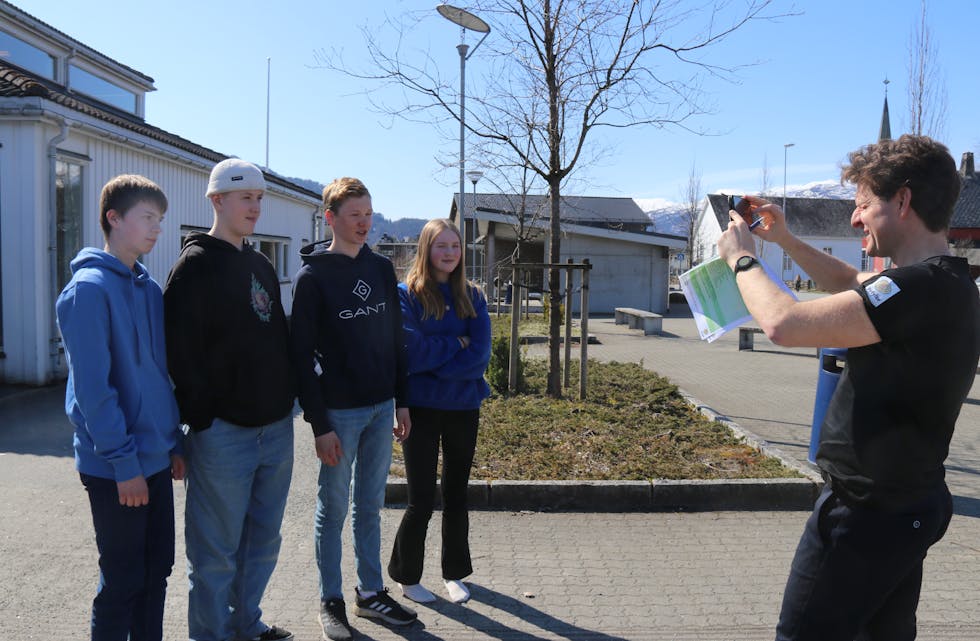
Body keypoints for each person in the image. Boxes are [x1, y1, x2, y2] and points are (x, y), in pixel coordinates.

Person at [716, 134, 980, 641]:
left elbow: (784, 324)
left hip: (864, 516)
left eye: (862, 206)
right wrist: (785, 240)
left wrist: (741, 258)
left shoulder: (917, 288)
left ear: (902, 201)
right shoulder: (940, 282)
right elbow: (849, 282)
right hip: (903, 508)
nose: (855, 220)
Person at [164, 159, 296, 641]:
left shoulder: (259, 262)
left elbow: (276, 337)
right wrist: (203, 420)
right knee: (215, 554)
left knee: (262, 543)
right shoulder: (193, 267)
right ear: (217, 200)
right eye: (246, 198)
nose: (256, 207)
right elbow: (179, 354)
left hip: (276, 430)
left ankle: (246, 624)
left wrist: (288, 403)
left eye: (260, 199)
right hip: (223, 436)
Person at [56, 174, 183, 641]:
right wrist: (124, 462)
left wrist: (175, 440)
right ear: (114, 218)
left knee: (157, 571)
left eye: (161, 220)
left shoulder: (148, 290)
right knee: (123, 580)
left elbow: (158, 377)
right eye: (148, 218)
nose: (157, 229)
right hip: (116, 468)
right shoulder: (87, 291)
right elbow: (95, 393)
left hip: (153, 459)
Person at [289, 177, 417, 640]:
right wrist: (319, 424)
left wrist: (401, 399)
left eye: (368, 214)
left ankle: (370, 593)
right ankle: (331, 599)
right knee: (333, 507)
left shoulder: (382, 269)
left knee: (370, 504)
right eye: (354, 216)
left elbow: (395, 339)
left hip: (382, 407)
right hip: (339, 415)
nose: (363, 223)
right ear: (330, 218)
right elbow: (300, 357)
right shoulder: (312, 278)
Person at [387, 219, 491, 605]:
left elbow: (478, 357)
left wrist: (437, 356)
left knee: (456, 494)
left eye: (455, 245)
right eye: (441, 245)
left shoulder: (474, 296)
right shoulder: (407, 295)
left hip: (464, 406)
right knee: (420, 499)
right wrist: (456, 343)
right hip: (422, 409)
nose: (449, 253)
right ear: (426, 249)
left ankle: (454, 574)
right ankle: (407, 576)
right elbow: (410, 352)